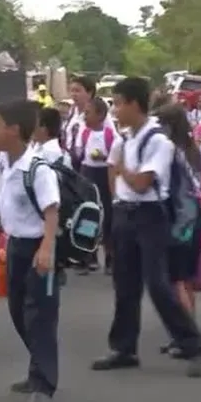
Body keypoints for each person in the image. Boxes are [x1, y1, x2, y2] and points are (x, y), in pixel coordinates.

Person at [91, 77, 201, 377]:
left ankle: (191, 343)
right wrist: (117, 197)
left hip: (151, 214)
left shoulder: (158, 141)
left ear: (134, 103)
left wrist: (122, 172)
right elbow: (111, 169)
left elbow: (142, 183)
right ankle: (123, 347)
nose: (115, 110)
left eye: (118, 103)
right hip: (125, 214)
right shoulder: (124, 139)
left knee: (157, 283)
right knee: (125, 283)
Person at [0, 99, 61, 402]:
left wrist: (46, 249)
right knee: (18, 312)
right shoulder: (6, 163)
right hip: (15, 246)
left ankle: (44, 385)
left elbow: (51, 211)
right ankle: (38, 368)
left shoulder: (37, 168)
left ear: (14, 130)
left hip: (37, 249)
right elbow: (1, 206)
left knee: (40, 317)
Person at [154, 104, 201, 346]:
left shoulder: (169, 152)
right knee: (185, 279)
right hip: (195, 218)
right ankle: (189, 326)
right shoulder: (192, 150)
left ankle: (186, 334)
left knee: (175, 280)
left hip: (179, 221)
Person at [77, 97, 120, 274]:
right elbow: (80, 153)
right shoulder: (85, 132)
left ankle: (110, 256)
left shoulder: (110, 134)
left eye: (88, 113)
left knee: (108, 216)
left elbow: (115, 157)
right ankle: (89, 255)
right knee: (88, 214)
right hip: (88, 174)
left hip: (104, 175)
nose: (85, 117)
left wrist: (104, 157)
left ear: (101, 115)